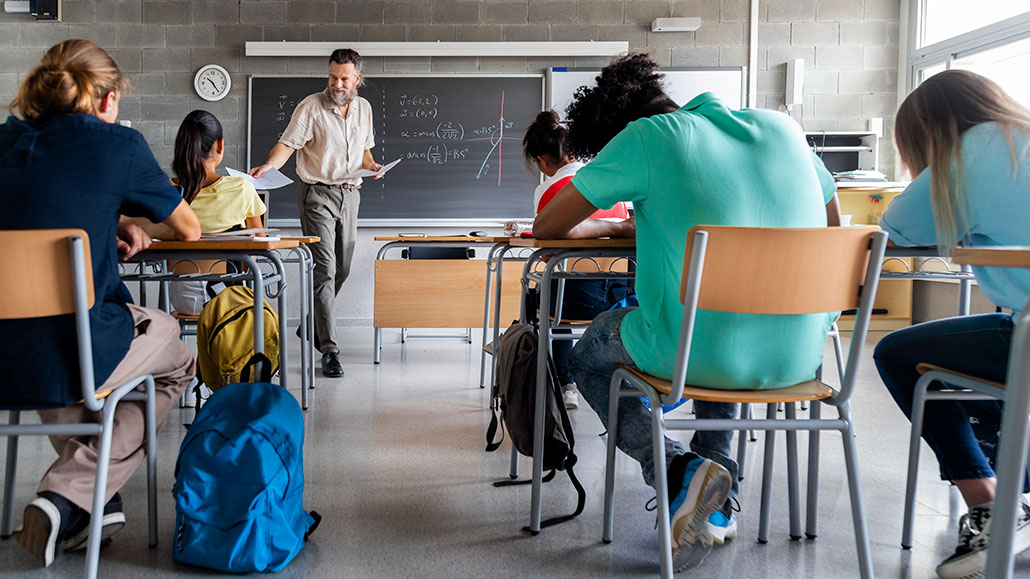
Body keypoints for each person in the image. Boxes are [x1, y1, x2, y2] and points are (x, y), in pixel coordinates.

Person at [532, 53, 840, 571]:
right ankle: (716, 499)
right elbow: (832, 226)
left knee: (587, 357)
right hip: (800, 356)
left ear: (620, 130)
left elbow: (549, 223)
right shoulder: (785, 129)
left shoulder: (650, 136)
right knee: (726, 322)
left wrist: (611, 227)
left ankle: (678, 470)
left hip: (697, 350)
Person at [0, 39, 200, 567]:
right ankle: (68, 495)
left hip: (9, 354)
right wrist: (129, 219)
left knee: (59, 354)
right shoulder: (118, 145)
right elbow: (188, 227)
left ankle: (99, 505)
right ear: (107, 100)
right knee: (176, 359)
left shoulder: (4, 140)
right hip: (78, 345)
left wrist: (106, 220)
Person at [872, 70, 1030, 579]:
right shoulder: (1019, 136)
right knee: (974, 355)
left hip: (1027, 331)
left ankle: (990, 504)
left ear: (929, 127)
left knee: (898, 354)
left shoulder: (973, 151)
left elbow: (900, 225)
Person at [249, 48, 381, 379]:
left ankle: (311, 324)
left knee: (344, 267)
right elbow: (288, 144)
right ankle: (330, 350)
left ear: (357, 79)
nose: (337, 84)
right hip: (316, 194)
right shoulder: (311, 106)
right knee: (324, 269)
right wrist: (269, 164)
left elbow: (364, 151)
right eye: (333, 77)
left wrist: (372, 166)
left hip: (351, 193)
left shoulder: (364, 108)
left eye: (344, 78)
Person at [520, 109, 631, 409]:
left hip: (575, 300)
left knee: (546, 286)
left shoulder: (548, 191)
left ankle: (565, 382)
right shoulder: (614, 188)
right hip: (619, 297)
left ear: (542, 160)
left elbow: (546, 249)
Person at [169, 109, 267, 316]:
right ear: (220, 146)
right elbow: (259, 244)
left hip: (183, 301)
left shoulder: (166, 192)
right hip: (229, 299)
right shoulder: (241, 188)